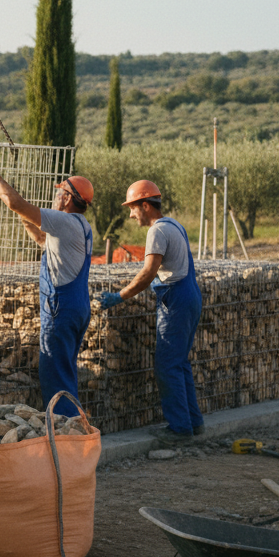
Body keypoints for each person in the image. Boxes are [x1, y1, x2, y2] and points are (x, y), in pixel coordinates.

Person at [0, 156, 95, 417]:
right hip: (77, 307)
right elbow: (43, 240)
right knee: (65, 371)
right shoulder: (80, 227)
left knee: (55, 374)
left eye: (59, 193)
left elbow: (14, 202)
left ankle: (65, 437)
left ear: (67, 198)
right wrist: (24, 216)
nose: (55, 198)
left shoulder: (64, 221)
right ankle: (72, 432)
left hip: (61, 310)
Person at [98, 180, 204, 445]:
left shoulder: (156, 231)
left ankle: (180, 429)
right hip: (190, 294)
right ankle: (194, 422)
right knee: (180, 363)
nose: (131, 215)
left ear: (145, 205)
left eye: (133, 208)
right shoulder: (175, 224)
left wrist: (119, 296)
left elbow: (148, 272)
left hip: (176, 300)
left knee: (167, 365)